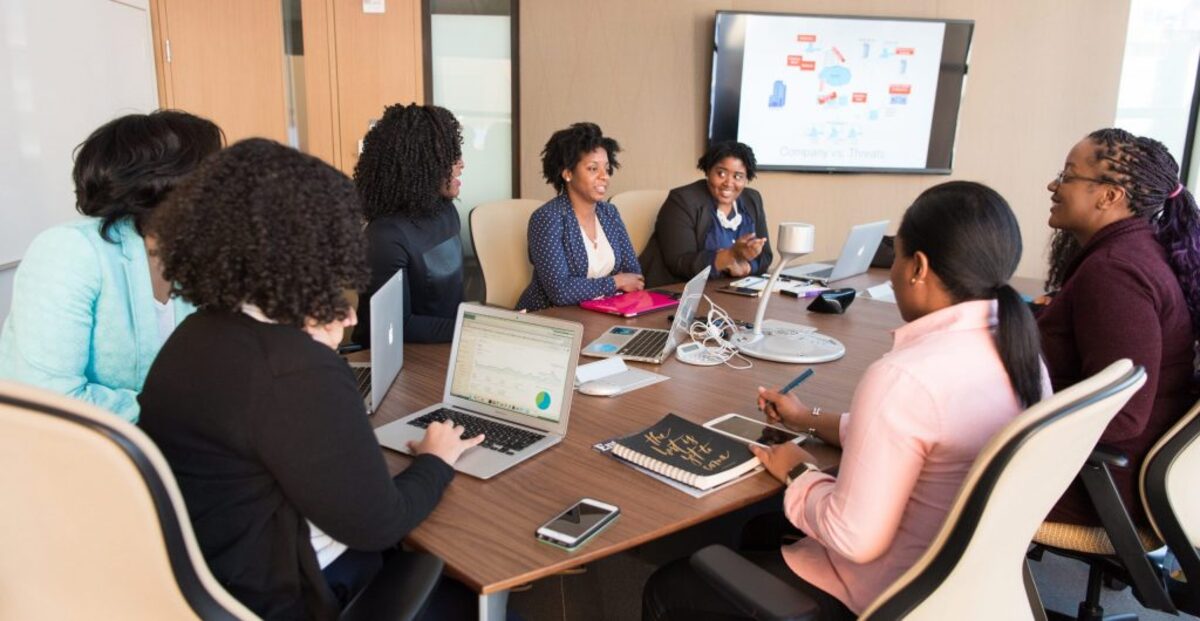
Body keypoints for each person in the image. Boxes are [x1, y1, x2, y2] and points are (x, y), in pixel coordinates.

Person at [642, 181, 1049, 619]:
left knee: (669, 586)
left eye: (898, 257)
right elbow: (913, 435)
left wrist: (798, 471)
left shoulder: (903, 377)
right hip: (966, 588)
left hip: (886, 595)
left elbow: (853, 536)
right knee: (762, 527)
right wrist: (807, 419)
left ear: (919, 268)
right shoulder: (1022, 356)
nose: (892, 272)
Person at [138, 139, 484, 620]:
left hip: (216, 580)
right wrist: (435, 459)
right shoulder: (292, 369)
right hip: (297, 593)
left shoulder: (193, 336)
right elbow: (380, 524)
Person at [0, 110, 222, 422]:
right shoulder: (71, 251)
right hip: (67, 450)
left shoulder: (198, 254)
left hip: (165, 441)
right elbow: (51, 398)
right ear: (164, 183)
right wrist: (181, 411)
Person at [1038, 128, 1199, 528]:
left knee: (929, 463)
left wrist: (1010, 429)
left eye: (1068, 175)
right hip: (1118, 472)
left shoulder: (1115, 272)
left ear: (1109, 196)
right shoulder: (1134, 251)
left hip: (1104, 486)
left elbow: (1122, 414)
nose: (1053, 185)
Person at [352, 103, 466, 345]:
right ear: (418, 165)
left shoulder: (446, 211)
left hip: (444, 344)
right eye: (449, 157)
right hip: (396, 356)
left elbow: (450, 302)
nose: (461, 164)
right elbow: (398, 326)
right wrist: (473, 329)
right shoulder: (385, 237)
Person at [517, 122, 643, 311]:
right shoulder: (547, 218)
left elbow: (634, 276)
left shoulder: (609, 212)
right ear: (568, 173)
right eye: (593, 169)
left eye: (606, 168)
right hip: (551, 319)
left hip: (601, 312)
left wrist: (619, 284)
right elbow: (560, 291)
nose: (604, 176)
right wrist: (616, 282)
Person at [640, 141, 771, 287]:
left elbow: (765, 256)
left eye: (738, 176)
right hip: (677, 292)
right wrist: (730, 256)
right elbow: (679, 263)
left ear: (747, 178)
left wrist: (747, 267)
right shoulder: (682, 200)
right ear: (708, 171)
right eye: (721, 173)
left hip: (730, 290)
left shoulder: (752, 200)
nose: (728, 183)